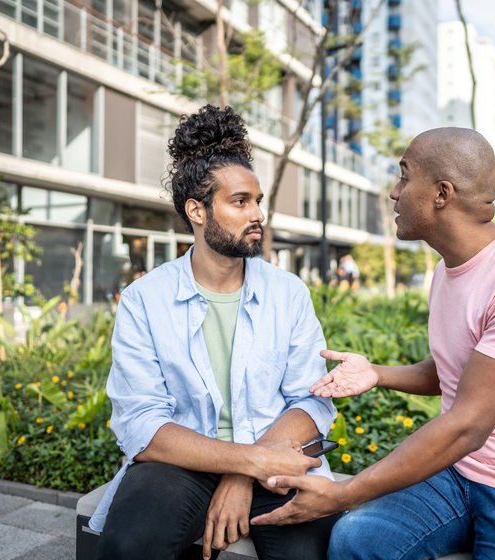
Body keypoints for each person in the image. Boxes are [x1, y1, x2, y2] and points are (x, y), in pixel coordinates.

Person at [252, 128, 495, 559]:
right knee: (356, 541)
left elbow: (468, 425)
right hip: (461, 474)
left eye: (404, 176)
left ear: (442, 193)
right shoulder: (448, 270)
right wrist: (376, 374)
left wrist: (343, 494)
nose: (393, 192)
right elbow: (458, 371)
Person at [90, 105, 339, 560]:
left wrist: (244, 473)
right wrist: (248, 462)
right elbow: (142, 423)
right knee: (129, 545)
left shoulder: (288, 293)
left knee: (309, 553)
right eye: (240, 202)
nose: (257, 214)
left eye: (258, 201)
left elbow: (311, 400)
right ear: (197, 210)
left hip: (277, 459)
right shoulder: (145, 299)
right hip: (182, 464)